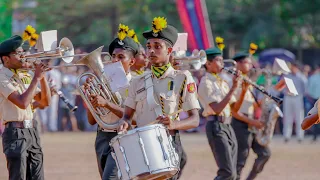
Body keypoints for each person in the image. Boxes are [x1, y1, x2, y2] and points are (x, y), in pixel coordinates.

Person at [118, 17, 200, 180]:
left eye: (157, 46)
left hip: (169, 143)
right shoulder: (137, 81)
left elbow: (195, 119)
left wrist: (174, 124)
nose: (151, 51)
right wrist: (124, 123)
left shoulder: (182, 78)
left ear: (169, 51)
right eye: (148, 47)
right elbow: (126, 116)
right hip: (142, 146)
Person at [85, 24, 139, 180]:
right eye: (113, 56)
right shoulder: (102, 82)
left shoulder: (137, 84)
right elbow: (90, 120)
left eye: (121, 57)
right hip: (102, 137)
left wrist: (106, 104)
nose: (115, 60)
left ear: (132, 62)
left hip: (124, 137)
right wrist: (91, 97)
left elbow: (136, 119)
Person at [0, 35, 51, 180]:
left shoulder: (24, 75)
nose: (23, 56)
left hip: (32, 131)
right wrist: (36, 77)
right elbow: (22, 103)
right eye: (18, 53)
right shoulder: (2, 77)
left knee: (37, 177)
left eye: (23, 52)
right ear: (6, 59)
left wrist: (43, 77)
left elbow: (45, 102)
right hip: (15, 133)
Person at [198, 47, 249, 180]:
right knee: (227, 173)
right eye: (218, 61)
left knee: (233, 173)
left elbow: (234, 108)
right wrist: (233, 88)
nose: (222, 64)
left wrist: (242, 90)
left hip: (228, 125)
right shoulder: (205, 82)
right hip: (216, 126)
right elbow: (217, 109)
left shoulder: (222, 82)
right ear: (208, 63)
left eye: (222, 60)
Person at [230, 52, 270, 180]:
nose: (251, 65)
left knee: (264, 153)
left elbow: (252, 104)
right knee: (240, 160)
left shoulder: (247, 80)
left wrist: (267, 99)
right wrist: (253, 122)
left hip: (250, 122)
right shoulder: (234, 81)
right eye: (248, 62)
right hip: (239, 124)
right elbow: (234, 111)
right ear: (239, 64)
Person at [274, 62, 307, 142]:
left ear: (297, 67)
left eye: (293, 67)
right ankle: (286, 135)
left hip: (297, 97)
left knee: (299, 117)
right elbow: (279, 87)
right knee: (287, 117)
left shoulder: (301, 77)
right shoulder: (286, 76)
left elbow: (305, 90)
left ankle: (300, 136)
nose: (292, 69)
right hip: (288, 97)